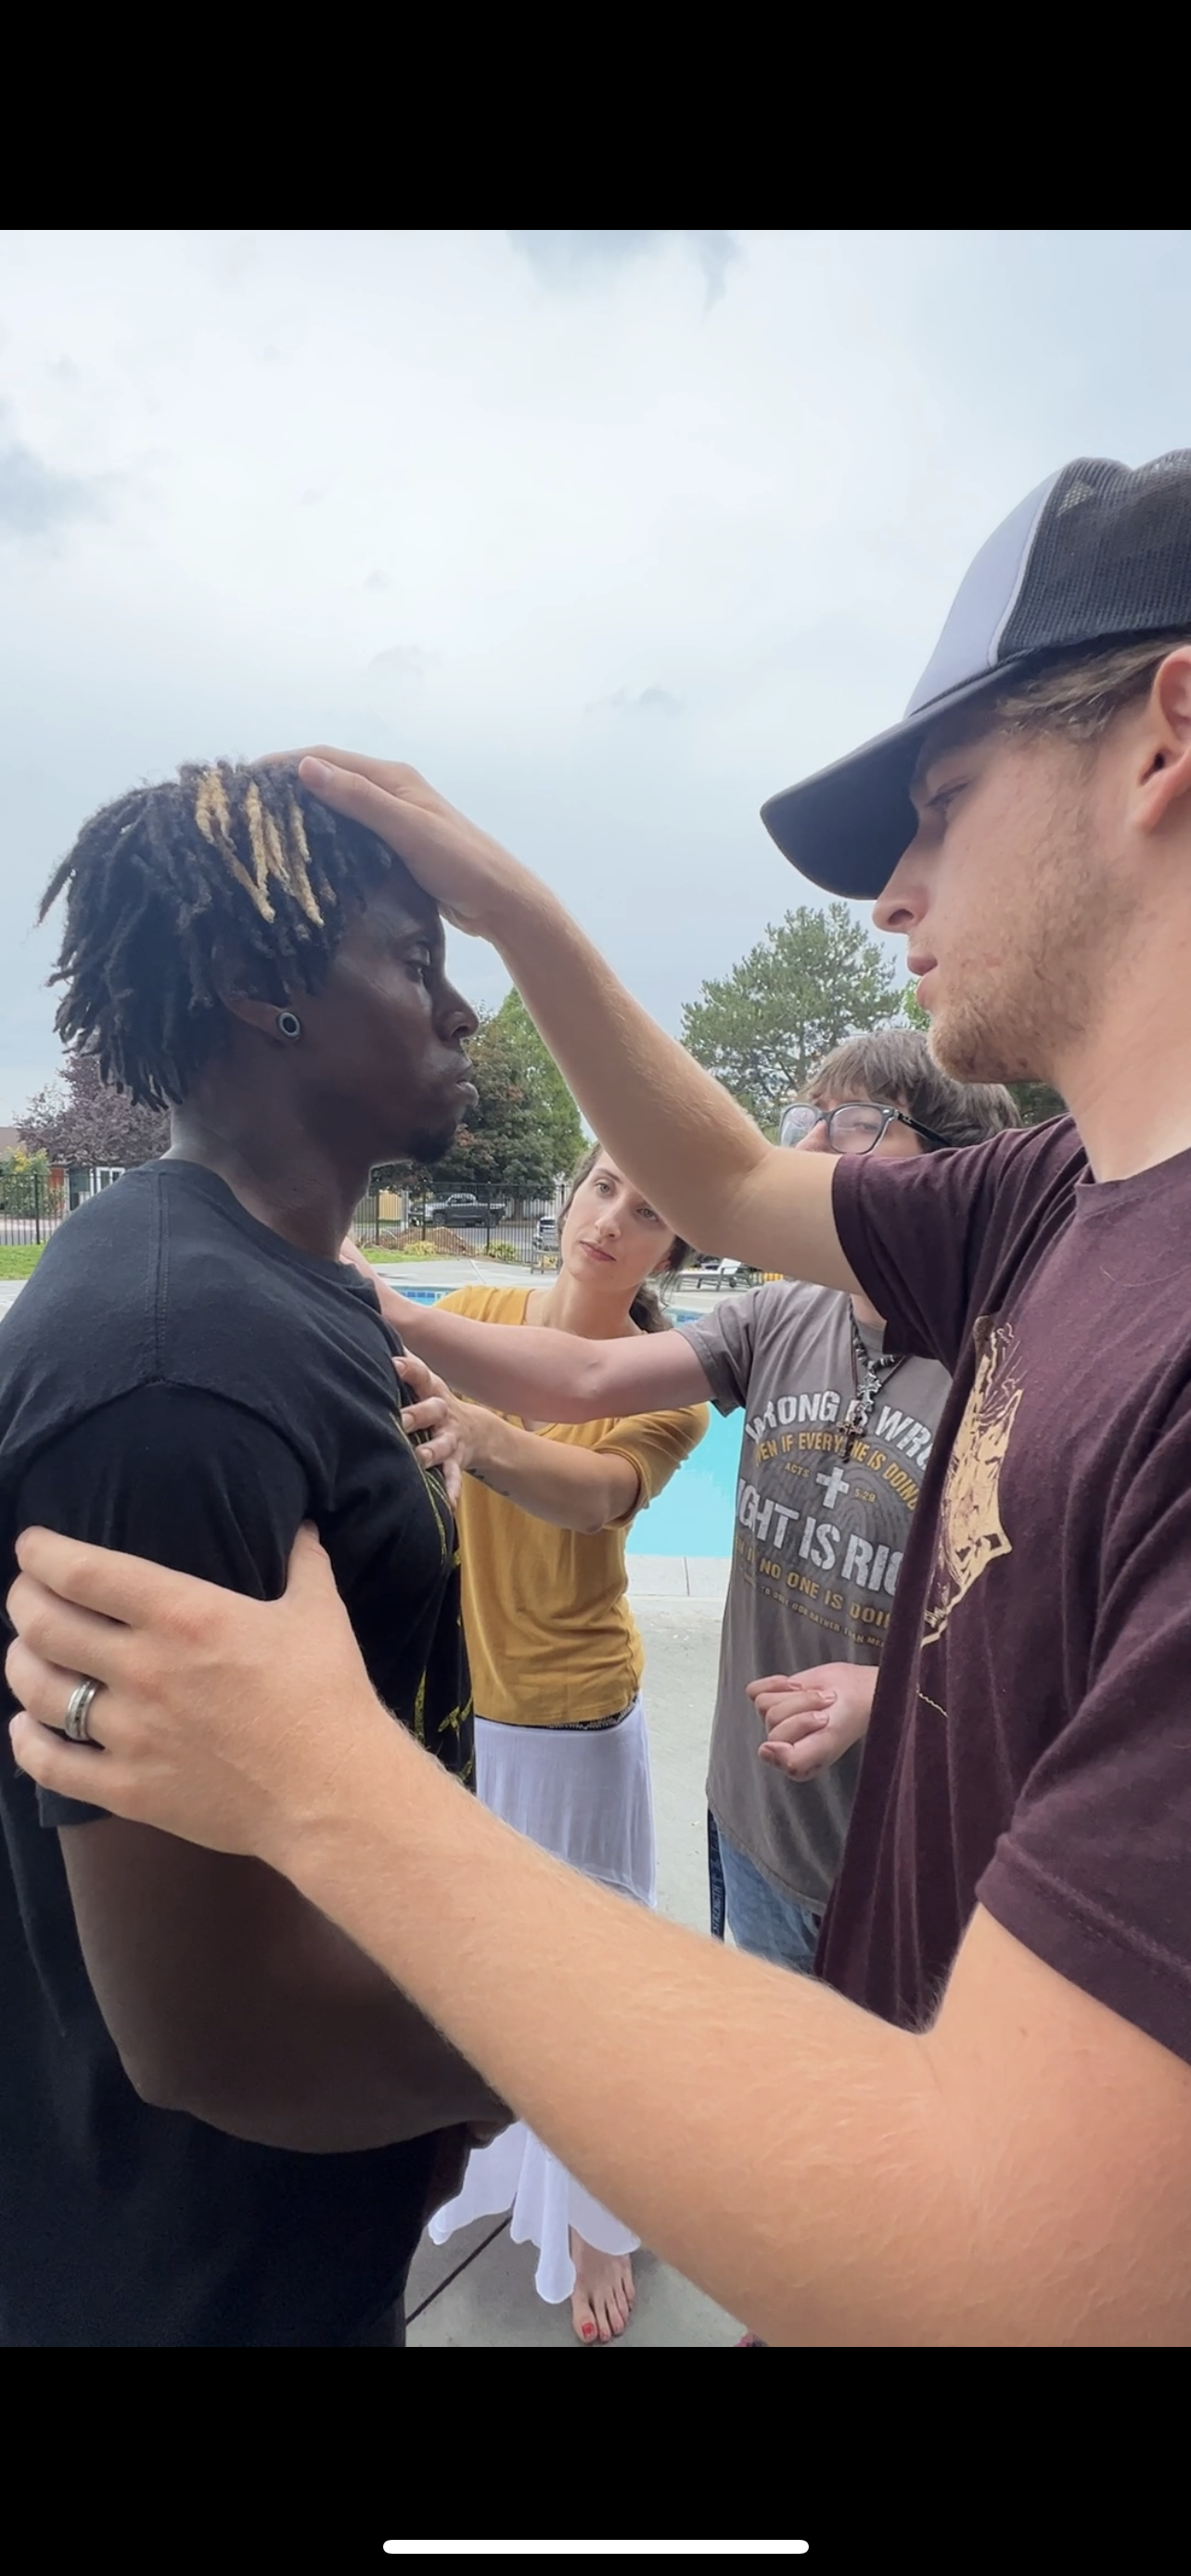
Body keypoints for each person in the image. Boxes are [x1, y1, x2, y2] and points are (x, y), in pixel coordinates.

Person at [13, 448, 1191, 2342]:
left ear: (1163, 737)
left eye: (942, 803)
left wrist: (337, 1801)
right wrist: (513, 901)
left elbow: (1026, 2252)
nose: (891, 893)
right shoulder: (1047, 1198)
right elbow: (716, 1175)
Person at [0, 759, 506, 2350]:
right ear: (251, 983)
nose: (462, 1015)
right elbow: (215, 2031)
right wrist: (532, 2053)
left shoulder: (300, 1293)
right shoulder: (176, 1366)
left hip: (312, 2205)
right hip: (192, 2270)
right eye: (415, 961)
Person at [382, 1031, 1016, 1988]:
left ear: (960, 1170)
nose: (807, 1148)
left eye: (856, 1124)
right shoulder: (778, 1318)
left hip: (910, 1860)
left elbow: (1058, 1633)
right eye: (806, 1122)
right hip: (756, 1822)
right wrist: (388, 1306)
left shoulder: (1010, 1363)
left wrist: (892, 1690)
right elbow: (584, 1375)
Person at [360, 1142, 706, 2342]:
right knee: (474, 1974)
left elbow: (590, 1493)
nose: (611, 1218)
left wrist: (476, 1435)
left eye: (648, 1209)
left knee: (588, 1988)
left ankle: (603, 2215)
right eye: (603, 1186)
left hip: (568, 1716)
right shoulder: (481, 1313)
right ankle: (492, 2164)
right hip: (461, 1704)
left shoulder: (671, 1391)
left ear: (674, 1248)